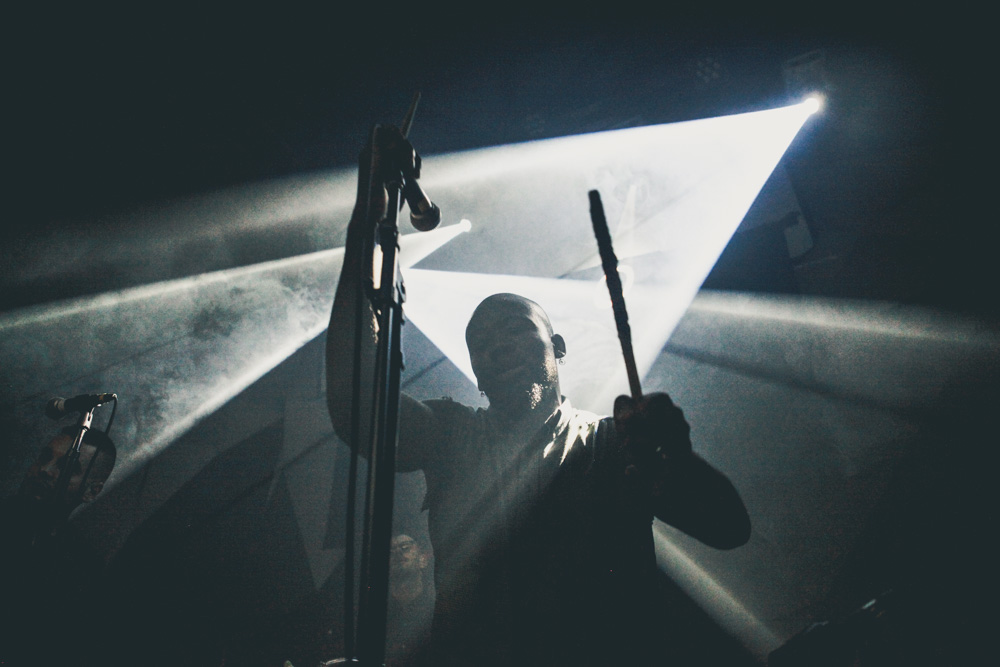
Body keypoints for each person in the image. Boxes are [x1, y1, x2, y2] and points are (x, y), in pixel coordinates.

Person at [325, 127, 751, 666]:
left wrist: (677, 462)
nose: (498, 345)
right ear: (475, 375)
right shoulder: (451, 435)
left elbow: (730, 529)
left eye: (514, 330)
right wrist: (368, 219)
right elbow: (354, 402)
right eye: (481, 344)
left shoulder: (613, 442)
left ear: (558, 347)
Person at [0, 426, 116, 666]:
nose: (45, 470)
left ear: (92, 491)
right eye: (45, 458)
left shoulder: (84, 569)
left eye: (68, 468)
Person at [384, 534, 434, 666]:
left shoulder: (436, 608)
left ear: (423, 559)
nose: (397, 552)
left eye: (405, 547)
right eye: (390, 551)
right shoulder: (375, 614)